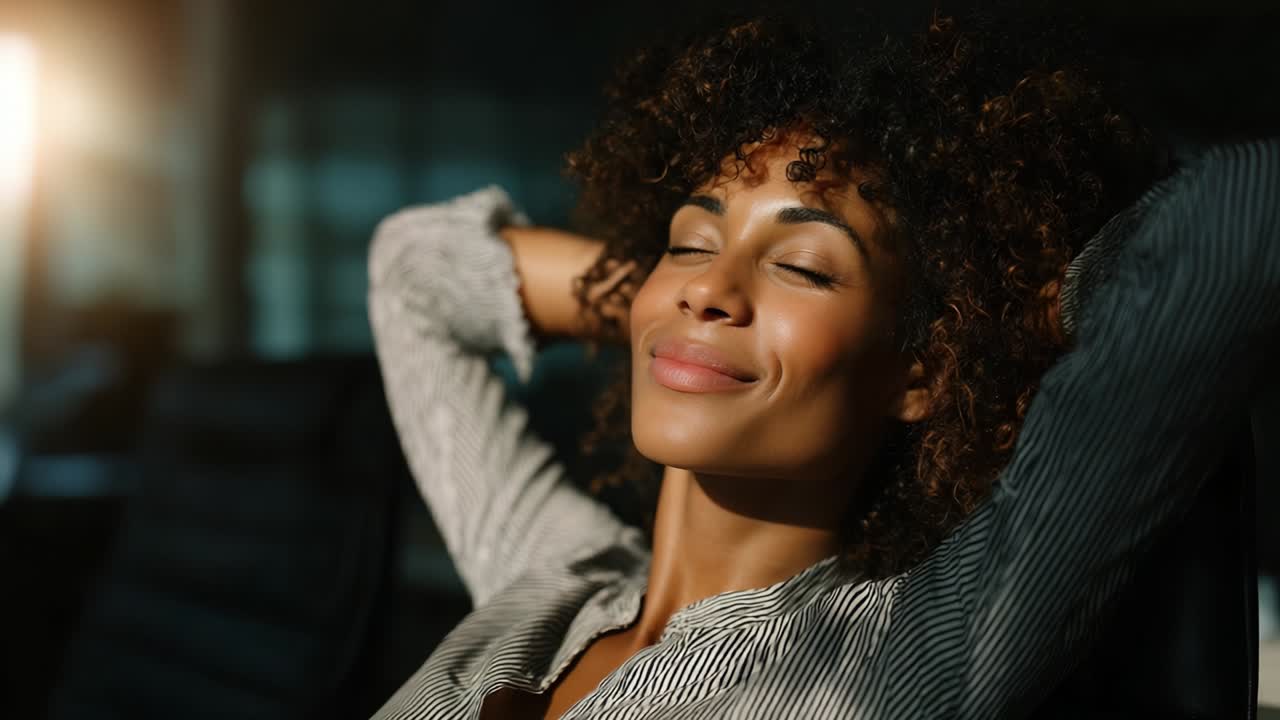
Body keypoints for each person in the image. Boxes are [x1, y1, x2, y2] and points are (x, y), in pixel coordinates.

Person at [366, 9, 1279, 719]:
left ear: (920, 374)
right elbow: (412, 272)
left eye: (803, 266)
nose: (708, 287)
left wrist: (1003, 324)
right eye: (689, 243)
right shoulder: (550, 576)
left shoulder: (915, 653)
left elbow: (1238, 217)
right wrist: (663, 316)